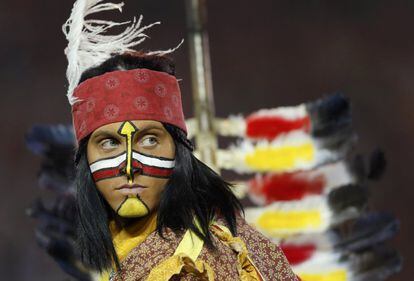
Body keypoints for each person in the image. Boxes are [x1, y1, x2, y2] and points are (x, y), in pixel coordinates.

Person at [62, 1, 299, 280]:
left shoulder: (196, 263)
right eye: (109, 143)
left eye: (149, 140)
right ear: (85, 160)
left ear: (178, 152)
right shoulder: (132, 253)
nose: (129, 166)